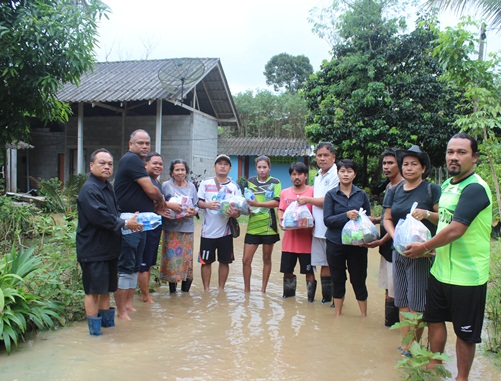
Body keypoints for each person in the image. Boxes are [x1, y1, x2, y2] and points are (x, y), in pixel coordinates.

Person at [405, 133, 492, 380]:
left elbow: (457, 228)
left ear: (474, 157)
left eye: (461, 152)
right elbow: (445, 219)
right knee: (434, 320)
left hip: (467, 275)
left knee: (465, 332)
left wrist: (423, 247)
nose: (454, 157)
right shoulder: (448, 185)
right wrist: (427, 214)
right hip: (440, 269)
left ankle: (461, 377)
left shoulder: (476, 188)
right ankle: (434, 366)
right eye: (450, 152)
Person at [76, 148, 142, 335]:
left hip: (109, 248)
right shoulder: (90, 188)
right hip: (92, 249)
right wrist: (124, 223)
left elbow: (115, 212)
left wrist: (130, 220)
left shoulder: (107, 187)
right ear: (91, 166)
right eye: (102, 163)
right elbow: (99, 216)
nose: (106, 167)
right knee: (92, 291)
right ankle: (95, 333)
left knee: (105, 289)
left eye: (110, 164)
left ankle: (108, 329)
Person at [383, 145, 440, 356]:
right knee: (402, 301)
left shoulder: (431, 190)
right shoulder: (395, 190)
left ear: (423, 168)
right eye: (405, 164)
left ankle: (413, 347)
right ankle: (405, 344)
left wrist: (426, 214)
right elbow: (387, 217)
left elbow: (442, 218)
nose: (408, 168)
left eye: (414, 164)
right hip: (398, 251)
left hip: (421, 252)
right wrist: (394, 235)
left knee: (417, 302)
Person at [114, 130, 175, 321]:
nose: (144, 146)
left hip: (141, 221)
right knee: (126, 265)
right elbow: (151, 190)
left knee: (134, 265)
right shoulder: (131, 160)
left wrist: (157, 202)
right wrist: (162, 201)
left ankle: (130, 304)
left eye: (147, 143)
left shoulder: (137, 164)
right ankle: (121, 310)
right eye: (140, 142)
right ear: (130, 144)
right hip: (128, 219)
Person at [323, 159, 371, 317]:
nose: (345, 174)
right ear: (338, 173)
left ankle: (364, 315)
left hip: (357, 244)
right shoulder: (331, 195)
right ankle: (338, 314)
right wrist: (346, 216)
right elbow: (328, 220)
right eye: (342, 171)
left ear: (354, 174)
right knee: (337, 279)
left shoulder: (361, 194)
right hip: (335, 242)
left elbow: (367, 218)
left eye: (349, 171)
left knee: (359, 279)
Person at [365, 149, 404, 327]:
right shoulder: (388, 186)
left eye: (390, 163)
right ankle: (390, 329)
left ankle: (396, 329)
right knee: (388, 288)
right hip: (386, 247)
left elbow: (401, 223)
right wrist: (374, 220)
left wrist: (381, 240)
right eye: (384, 164)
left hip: (396, 245)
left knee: (396, 291)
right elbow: (388, 217)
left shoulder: (404, 187)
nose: (386, 167)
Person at [297, 142, 339, 304]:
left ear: (333, 157)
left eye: (326, 155)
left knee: (333, 265)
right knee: (322, 263)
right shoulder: (318, 175)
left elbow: (329, 201)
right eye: (319, 155)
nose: (322, 158)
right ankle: (326, 300)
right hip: (318, 229)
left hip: (332, 229)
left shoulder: (336, 174)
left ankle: (335, 299)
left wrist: (307, 199)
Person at [197, 154, 241, 291]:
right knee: (205, 263)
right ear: (214, 166)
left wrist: (235, 213)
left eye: (226, 164)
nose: (223, 166)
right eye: (220, 163)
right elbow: (198, 202)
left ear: (230, 168)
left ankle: (221, 290)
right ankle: (206, 290)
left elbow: (239, 210)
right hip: (207, 232)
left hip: (225, 232)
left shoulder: (234, 187)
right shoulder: (205, 183)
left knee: (225, 262)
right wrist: (208, 205)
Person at [242, 155, 282, 293]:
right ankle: (247, 290)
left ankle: (263, 290)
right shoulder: (250, 182)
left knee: (266, 258)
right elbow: (245, 200)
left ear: (269, 168)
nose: (262, 170)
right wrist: (245, 207)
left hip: (268, 227)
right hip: (252, 226)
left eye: (264, 167)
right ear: (256, 168)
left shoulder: (276, 182)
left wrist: (257, 204)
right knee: (246, 260)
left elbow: (276, 202)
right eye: (259, 167)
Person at [277, 162, 316, 301]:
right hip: (289, 243)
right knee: (287, 272)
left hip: (308, 243)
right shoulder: (285, 193)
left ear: (306, 176)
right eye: (294, 174)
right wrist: (281, 219)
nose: (296, 177)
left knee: (309, 272)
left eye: (300, 174)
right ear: (290, 177)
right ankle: (288, 300)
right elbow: (281, 209)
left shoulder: (312, 192)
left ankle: (310, 300)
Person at [160, 159, 199, 293]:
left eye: (182, 170)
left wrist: (193, 211)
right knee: (172, 262)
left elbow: (196, 205)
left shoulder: (191, 187)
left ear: (186, 172)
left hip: (187, 230)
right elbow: (160, 204)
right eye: (177, 170)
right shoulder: (166, 186)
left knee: (187, 262)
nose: (180, 172)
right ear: (172, 172)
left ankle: (185, 295)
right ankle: (172, 294)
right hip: (171, 230)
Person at [137, 152, 169, 303]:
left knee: (149, 262)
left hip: (155, 227)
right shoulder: (146, 182)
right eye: (154, 163)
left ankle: (145, 294)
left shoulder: (157, 183)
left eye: (160, 164)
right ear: (145, 165)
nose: (158, 166)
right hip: (146, 228)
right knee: (144, 263)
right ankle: (145, 296)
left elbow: (156, 206)